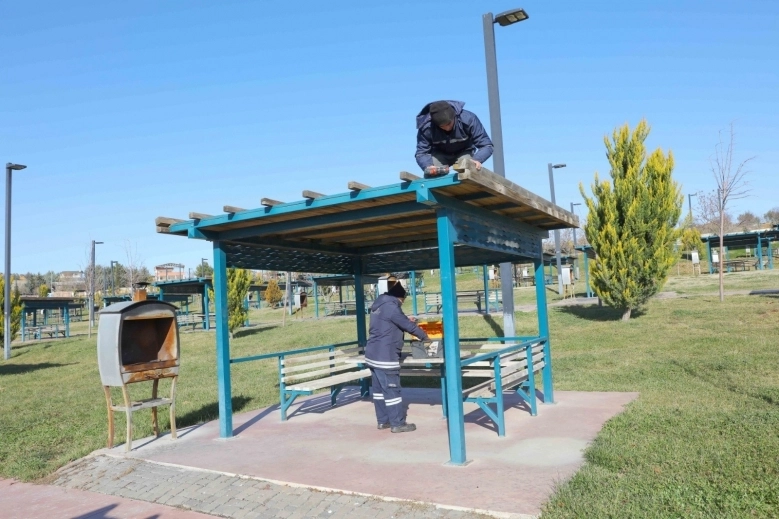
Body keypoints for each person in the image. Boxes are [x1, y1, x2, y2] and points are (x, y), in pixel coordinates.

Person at [365, 281, 430, 433]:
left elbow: (392, 322)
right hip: (385, 356)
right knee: (392, 390)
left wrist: (406, 320)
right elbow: (408, 326)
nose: (402, 304)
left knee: (380, 391)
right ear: (399, 298)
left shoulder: (380, 305)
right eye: (403, 301)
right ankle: (397, 424)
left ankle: (383, 421)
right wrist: (425, 337)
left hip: (373, 355)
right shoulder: (392, 307)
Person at [415, 100, 494, 178]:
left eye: (449, 123)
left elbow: (487, 145)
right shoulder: (426, 127)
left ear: (454, 116)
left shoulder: (469, 119)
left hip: (464, 152)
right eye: (442, 126)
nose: (447, 128)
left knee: (467, 169)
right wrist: (427, 166)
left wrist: (477, 159)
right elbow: (421, 153)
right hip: (439, 154)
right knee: (431, 175)